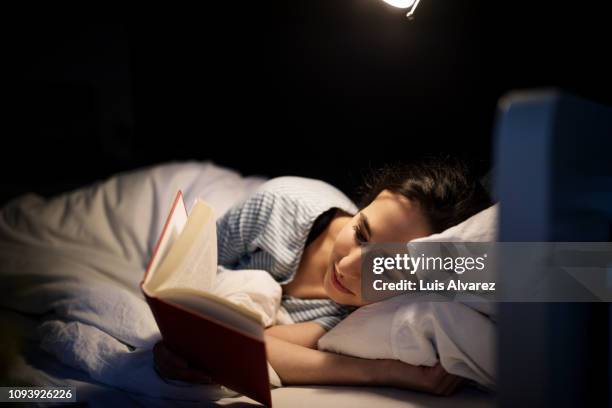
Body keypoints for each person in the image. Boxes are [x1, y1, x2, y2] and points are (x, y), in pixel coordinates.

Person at [153, 157, 492, 396]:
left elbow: (252, 346)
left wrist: (391, 372)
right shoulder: (280, 205)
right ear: (364, 205)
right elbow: (182, 268)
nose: (348, 267)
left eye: (385, 268)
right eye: (361, 233)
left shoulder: (364, 314)